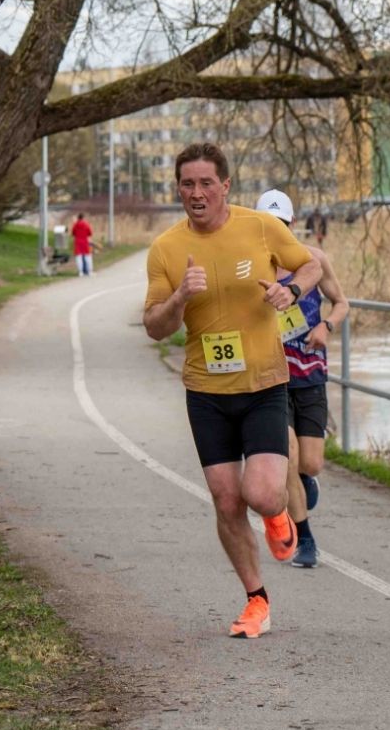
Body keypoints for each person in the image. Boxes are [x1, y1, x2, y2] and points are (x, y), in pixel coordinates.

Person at [143, 144, 322, 639]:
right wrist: (180, 296)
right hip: (205, 391)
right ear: (177, 188)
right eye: (187, 184)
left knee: (261, 493)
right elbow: (154, 327)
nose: (196, 193)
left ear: (225, 186)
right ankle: (256, 600)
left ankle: (278, 513)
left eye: (205, 183)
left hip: (264, 382)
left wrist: (292, 291)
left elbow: (310, 267)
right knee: (225, 502)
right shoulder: (166, 249)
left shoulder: (261, 227)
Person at [256, 191, 349, 569]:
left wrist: (327, 326)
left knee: (310, 464)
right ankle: (305, 540)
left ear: (291, 225)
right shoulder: (253, 265)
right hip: (271, 380)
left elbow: (342, 303)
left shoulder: (315, 259)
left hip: (310, 374)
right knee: (289, 459)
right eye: (268, 225)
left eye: (281, 225)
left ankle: (305, 484)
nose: (275, 232)